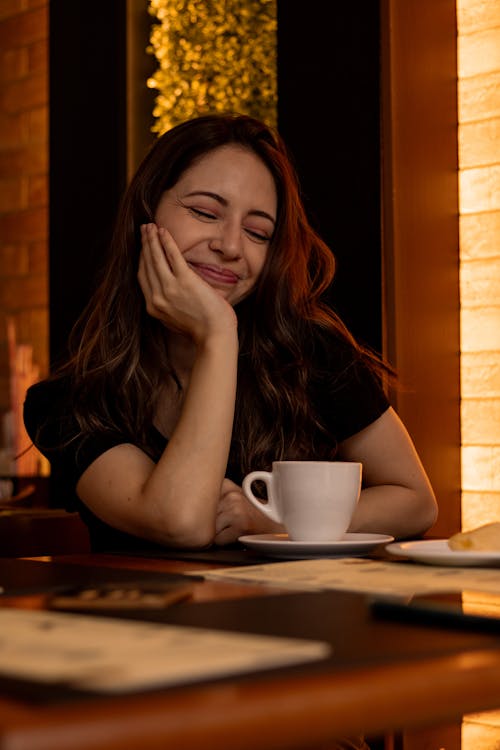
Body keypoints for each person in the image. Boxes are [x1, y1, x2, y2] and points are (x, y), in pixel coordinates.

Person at [23, 113, 438, 554]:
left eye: (258, 232)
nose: (231, 246)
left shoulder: (310, 352)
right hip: (142, 621)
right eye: (205, 212)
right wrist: (218, 335)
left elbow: (416, 501)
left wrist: (274, 521)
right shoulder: (69, 402)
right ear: (146, 212)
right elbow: (181, 522)